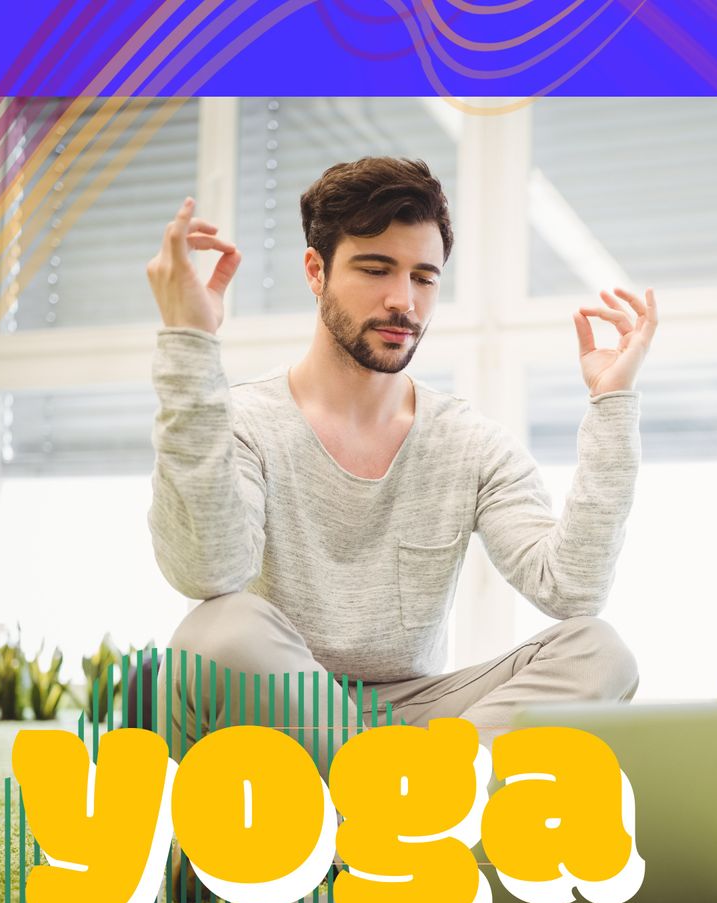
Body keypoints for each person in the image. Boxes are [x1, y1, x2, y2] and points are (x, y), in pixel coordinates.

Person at [146, 156, 657, 776]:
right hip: (279, 714)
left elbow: (571, 590)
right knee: (219, 632)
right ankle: (418, 809)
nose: (403, 301)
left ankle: (404, 804)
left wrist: (611, 404)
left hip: (411, 718)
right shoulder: (245, 421)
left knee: (600, 652)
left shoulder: (469, 443)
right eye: (375, 268)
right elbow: (208, 570)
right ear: (316, 270)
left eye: (424, 277)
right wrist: (189, 343)